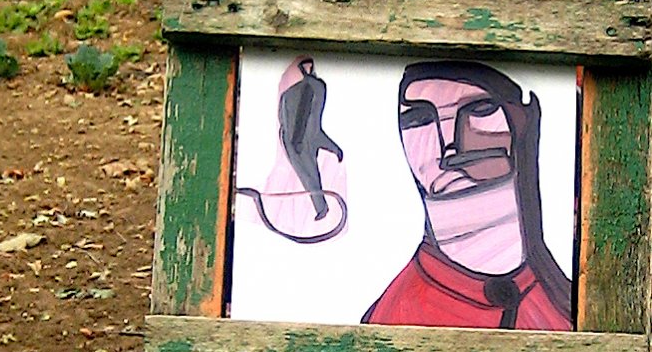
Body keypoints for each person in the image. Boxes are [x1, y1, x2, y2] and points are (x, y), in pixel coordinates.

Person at [363, 59, 572, 329]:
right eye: (418, 119)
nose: (448, 144)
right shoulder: (396, 316)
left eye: (479, 109)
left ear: (521, 120)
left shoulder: (559, 299)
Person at [238, 56, 347, 242]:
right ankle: (321, 207)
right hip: (297, 142)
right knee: (309, 174)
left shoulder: (310, 91)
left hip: (303, 140)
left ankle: (321, 207)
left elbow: (312, 126)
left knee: (311, 174)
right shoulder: (296, 95)